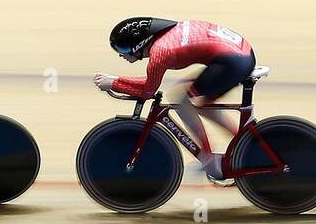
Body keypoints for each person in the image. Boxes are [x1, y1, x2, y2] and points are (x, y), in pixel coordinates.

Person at [93, 18, 256, 180]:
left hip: (232, 62)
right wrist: (115, 80)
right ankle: (245, 142)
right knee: (204, 104)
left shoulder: (160, 51)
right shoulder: (169, 34)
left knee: (182, 102)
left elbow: (148, 91)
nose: (121, 54)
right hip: (241, 54)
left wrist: (113, 83)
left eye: (123, 48)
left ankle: (209, 158)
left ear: (140, 43)